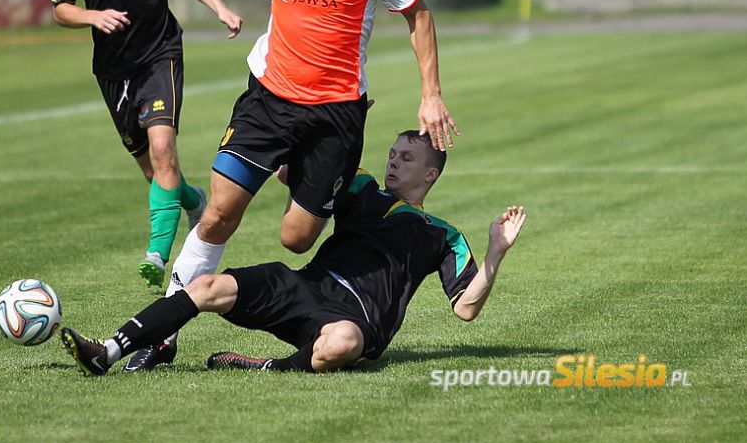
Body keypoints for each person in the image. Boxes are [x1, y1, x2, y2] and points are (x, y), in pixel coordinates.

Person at [121, 0, 460, 370]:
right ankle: (162, 335)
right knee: (217, 214)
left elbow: (417, 11)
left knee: (297, 238)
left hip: (335, 115)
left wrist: (430, 92)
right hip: (269, 99)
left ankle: (296, 183)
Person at [59, 130, 526, 375]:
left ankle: (268, 367)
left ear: (431, 175)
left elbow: (465, 308)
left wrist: (495, 251)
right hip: (305, 287)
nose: (393, 161)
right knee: (207, 287)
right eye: (392, 152)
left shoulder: (441, 235)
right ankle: (108, 350)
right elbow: (293, 174)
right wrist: (324, 136)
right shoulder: (361, 186)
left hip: (354, 320)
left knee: (341, 344)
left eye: (406, 158)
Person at [51, 0, 243, 289]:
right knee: (153, 171)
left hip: (160, 55)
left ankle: (156, 255)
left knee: (163, 149)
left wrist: (219, 8)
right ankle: (192, 200)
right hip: (111, 69)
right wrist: (91, 16)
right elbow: (60, 7)